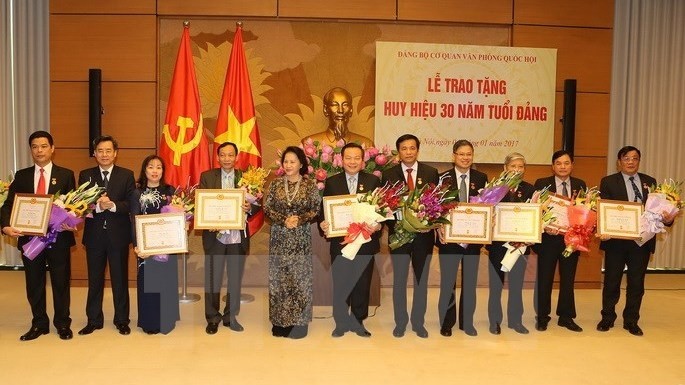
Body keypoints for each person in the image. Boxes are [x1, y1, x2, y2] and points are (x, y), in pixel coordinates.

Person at [1, 131, 77, 341]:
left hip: (57, 239)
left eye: (44, 146)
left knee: (61, 282)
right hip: (30, 239)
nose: (39, 150)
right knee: (34, 283)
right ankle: (39, 323)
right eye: (35, 147)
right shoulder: (22, 175)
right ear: (31, 150)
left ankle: (62, 323)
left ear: (52, 149)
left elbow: (74, 207)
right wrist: (6, 226)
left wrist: (70, 221)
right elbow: (9, 205)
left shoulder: (65, 174)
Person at [597, 146, 675, 336]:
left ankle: (631, 320)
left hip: (642, 241)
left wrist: (668, 217)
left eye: (635, 158)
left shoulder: (650, 182)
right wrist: (603, 229)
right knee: (611, 281)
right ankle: (607, 317)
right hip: (616, 241)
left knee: (636, 283)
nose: (631, 162)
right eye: (626, 158)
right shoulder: (608, 182)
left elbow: (662, 212)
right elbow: (603, 209)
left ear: (639, 161)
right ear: (619, 162)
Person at [319, 142, 381, 338]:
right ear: (341, 160)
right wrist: (323, 223)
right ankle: (341, 322)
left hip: (365, 242)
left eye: (357, 158)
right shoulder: (332, 182)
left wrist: (378, 225)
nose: (352, 162)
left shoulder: (372, 181)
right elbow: (324, 211)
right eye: (348, 158)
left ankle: (358, 321)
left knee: (362, 283)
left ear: (363, 161)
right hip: (341, 243)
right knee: (341, 283)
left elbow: (380, 211)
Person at [78, 135, 135, 336]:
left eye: (108, 150)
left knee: (120, 279)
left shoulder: (126, 175)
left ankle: (122, 320)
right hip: (94, 236)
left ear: (115, 153)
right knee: (95, 280)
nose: (104, 154)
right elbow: (79, 205)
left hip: (118, 236)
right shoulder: (86, 175)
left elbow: (131, 203)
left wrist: (112, 206)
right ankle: (94, 320)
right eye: (100, 151)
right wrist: (97, 207)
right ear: (94, 153)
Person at [381, 134, 438, 338]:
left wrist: (429, 224)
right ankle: (400, 322)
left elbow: (436, 204)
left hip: (423, 237)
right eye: (404, 148)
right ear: (399, 151)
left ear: (417, 150)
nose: (408, 152)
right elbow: (383, 207)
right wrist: (397, 226)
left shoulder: (431, 172)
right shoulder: (388, 174)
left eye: (412, 148)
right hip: (399, 237)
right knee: (400, 280)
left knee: (421, 280)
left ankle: (418, 322)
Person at [264, 146, 321, 339]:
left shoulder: (310, 185)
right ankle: (279, 321)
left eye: (292, 161)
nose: (288, 165)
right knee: (279, 278)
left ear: (301, 164)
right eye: (286, 161)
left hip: (300, 237)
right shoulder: (275, 184)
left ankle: (299, 322)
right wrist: (282, 219)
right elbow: (267, 208)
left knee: (299, 279)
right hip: (279, 236)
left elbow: (316, 208)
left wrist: (300, 218)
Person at [200, 142, 256, 335]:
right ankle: (212, 318)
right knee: (212, 278)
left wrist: (251, 208)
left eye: (230, 155)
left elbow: (257, 204)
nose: (226, 159)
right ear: (217, 157)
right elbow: (201, 203)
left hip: (237, 236)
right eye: (223, 155)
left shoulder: (246, 178)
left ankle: (230, 316)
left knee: (234, 278)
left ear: (236, 157)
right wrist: (208, 219)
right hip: (215, 235)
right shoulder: (207, 177)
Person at [436, 140, 488, 337]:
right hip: (450, 238)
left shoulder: (481, 178)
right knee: (448, 282)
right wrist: (439, 225)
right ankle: (447, 322)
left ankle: (467, 322)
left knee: (470, 281)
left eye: (469, 154)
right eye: (461, 154)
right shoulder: (443, 178)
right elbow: (436, 207)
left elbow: (487, 206)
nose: (465, 158)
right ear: (453, 156)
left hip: (473, 239)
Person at [532, 150, 587, 332]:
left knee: (568, 279)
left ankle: (566, 316)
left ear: (572, 165)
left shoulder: (580, 184)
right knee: (544, 279)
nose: (563, 166)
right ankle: (542, 316)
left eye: (566, 163)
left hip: (571, 240)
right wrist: (543, 224)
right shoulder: (542, 184)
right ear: (553, 166)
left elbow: (585, 212)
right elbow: (535, 210)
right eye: (559, 163)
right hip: (548, 239)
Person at [129, 155, 180, 335]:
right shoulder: (137, 193)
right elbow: (134, 220)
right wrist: (137, 246)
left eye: (159, 167)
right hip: (146, 248)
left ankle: (167, 317)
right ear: (145, 170)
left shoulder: (170, 191)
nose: (155, 170)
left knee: (166, 281)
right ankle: (150, 321)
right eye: (151, 167)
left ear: (163, 171)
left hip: (168, 246)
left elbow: (178, 217)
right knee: (148, 282)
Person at [485, 152, 535, 335]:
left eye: (520, 166)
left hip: (520, 246)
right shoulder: (494, 188)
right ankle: (494, 321)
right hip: (498, 245)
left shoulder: (530, 189)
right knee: (496, 285)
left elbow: (536, 217)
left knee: (516, 285)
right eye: (513, 166)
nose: (516, 170)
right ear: (505, 168)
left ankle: (516, 321)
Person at [304, 87, 374, 148]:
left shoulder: (367, 145)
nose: (340, 110)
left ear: (351, 110)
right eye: (334, 105)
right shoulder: (310, 144)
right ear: (325, 110)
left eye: (345, 105)